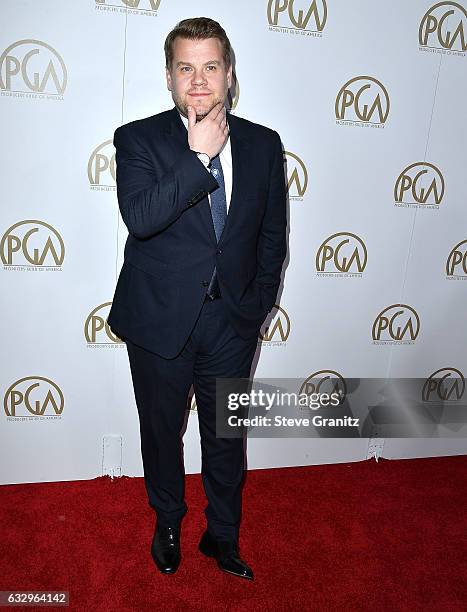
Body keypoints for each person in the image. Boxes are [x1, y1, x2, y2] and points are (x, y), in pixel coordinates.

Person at [107, 17, 287, 581]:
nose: (200, 80)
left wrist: (255, 309)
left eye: (211, 67)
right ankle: (167, 523)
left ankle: (223, 535)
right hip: (159, 321)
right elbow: (140, 217)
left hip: (231, 323)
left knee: (226, 436)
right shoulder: (138, 139)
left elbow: (271, 238)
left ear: (230, 74)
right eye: (186, 68)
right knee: (161, 432)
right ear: (169, 78)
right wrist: (198, 158)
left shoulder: (263, 144)